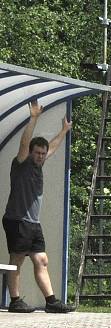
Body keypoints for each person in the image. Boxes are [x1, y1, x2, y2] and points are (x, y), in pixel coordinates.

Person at [2, 100, 74, 313]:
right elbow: (24, 144)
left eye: (42, 154)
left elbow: (52, 146)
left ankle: (51, 301)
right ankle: (15, 301)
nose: (41, 156)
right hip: (17, 219)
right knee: (17, 259)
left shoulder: (39, 165)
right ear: (31, 152)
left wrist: (64, 130)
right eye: (38, 153)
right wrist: (34, 118)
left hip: (33, 222)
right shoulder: (22, 163)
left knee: (41, 259)